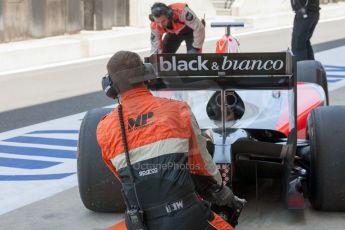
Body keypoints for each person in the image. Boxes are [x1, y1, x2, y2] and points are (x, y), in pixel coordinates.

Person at [97, 51, 245, 230]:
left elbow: (124, 177)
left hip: (139, 223)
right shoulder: (177, 110)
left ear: (110, 86)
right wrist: (223, 194)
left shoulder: (104, 128)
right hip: (185, 216)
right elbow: (202, 165)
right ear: (148, 74)